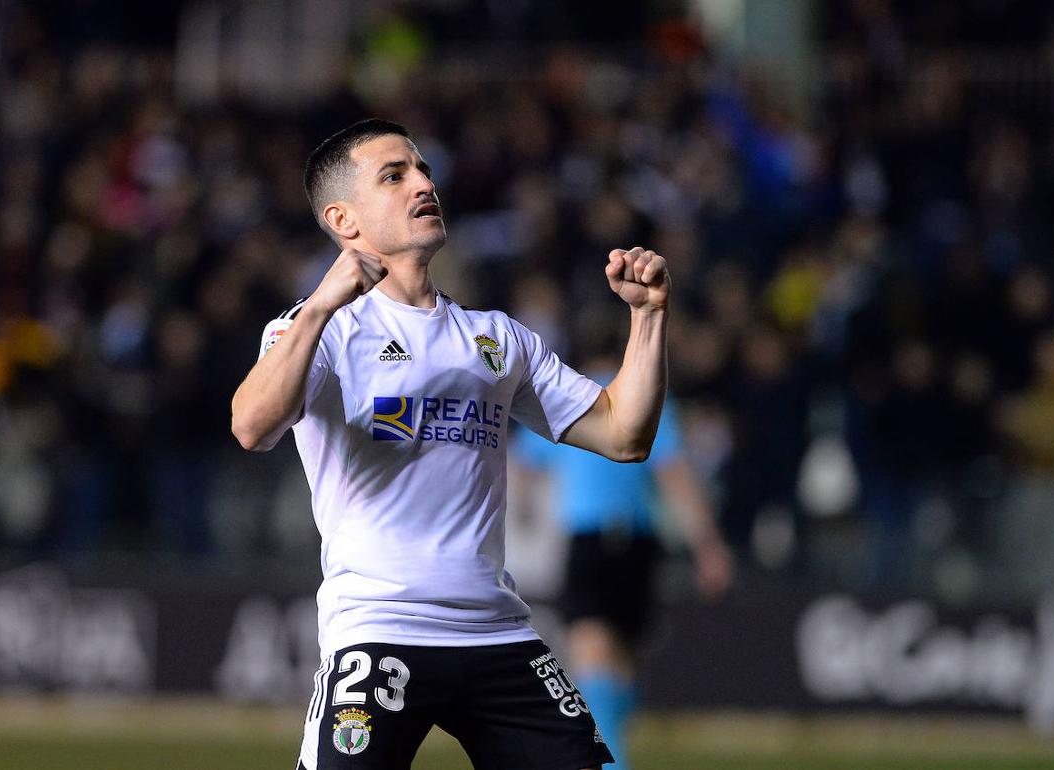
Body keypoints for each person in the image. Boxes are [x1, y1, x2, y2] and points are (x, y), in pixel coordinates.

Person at [230, 118, 671, 770]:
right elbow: (251, 424)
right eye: (395, 174)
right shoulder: (320, 330)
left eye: (423, 169)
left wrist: (648, 315)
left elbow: (625, 434)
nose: (422, 183)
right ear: (343, 220)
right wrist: (319, 307)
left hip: (498, 633)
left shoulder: (497, 338)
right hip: (380, 632)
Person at [512, 347, 733, 770]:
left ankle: (611, 761)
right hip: (639, 542)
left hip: (589, 538)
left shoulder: (566, 394)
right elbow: (676, 476)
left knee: (592, 651)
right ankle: (612, 756)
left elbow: (524, 463)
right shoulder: (649, 398)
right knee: (622, 660)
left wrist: (522, 512)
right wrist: (708, 545)